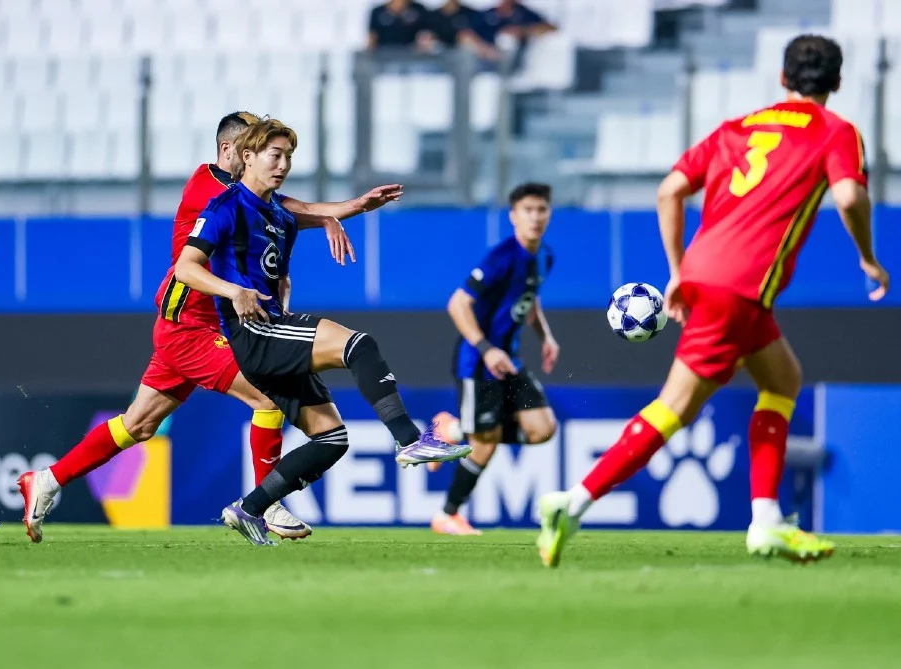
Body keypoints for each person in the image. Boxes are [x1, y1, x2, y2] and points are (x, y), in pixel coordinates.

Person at [536, 35, 890, 567]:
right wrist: (867, 255)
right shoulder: (837, 132)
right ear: (837, 83)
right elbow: (847, 195)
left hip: (709, 277)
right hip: (740, 288)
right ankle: (573, 502)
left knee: (783, 379)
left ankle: (766, 520)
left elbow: (668, 191)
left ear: (781, 78)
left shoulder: (736, 129)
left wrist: (678, 270)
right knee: (674, 407)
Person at [17, 112, 406, 543]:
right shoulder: (211, 186)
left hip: (191, 325)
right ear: (233, 152)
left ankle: (49, 480)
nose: (266, 162)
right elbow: (290, 207)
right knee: (268, 389)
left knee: (138, 424)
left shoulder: (250, 197)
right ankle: (267, 504)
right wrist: (333, 213)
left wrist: (337, 213)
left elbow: (285, 209)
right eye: (255, 151)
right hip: (192, 326)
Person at [174, 119, 471, 546]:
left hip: (273, 327)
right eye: (274, 156)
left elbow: (281, 264)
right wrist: (232, 290)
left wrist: (349, 211)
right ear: (248, 157)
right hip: (254, 333)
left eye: (288, 157)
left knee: (332, 439)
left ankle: (250, 508)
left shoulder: (278, 215)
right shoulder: (224, 207)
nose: (282, 165)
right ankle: (409, 440)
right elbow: (186, 266)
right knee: (358, 345)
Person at [428, 182, 560, 536]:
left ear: (549, 214)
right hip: (478, 360)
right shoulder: (501, 256)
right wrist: (487, 349)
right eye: (527, 210)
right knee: (485, 443)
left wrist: (544, 335)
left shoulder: (544, 256)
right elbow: (458, 304)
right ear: (514, 216)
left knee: (543, 428)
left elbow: (528, 298)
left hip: (509, 359)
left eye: (541, 209)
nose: (535, 217)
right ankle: (447, 515)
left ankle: (452, 429)